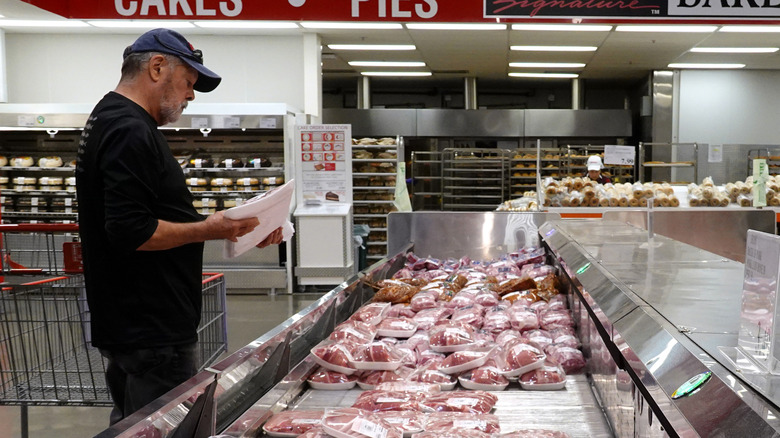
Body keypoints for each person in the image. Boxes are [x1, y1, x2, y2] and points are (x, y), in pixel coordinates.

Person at [76, 28, 283, 425]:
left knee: (132, 426)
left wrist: (238, 227)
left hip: (132, 321)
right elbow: (132, 231)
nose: (190, 95)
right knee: (163, 429)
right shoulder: (130, 130)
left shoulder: (109, 118)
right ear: (157, 67)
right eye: (188, 82)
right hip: (152, 327)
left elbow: (136, 218)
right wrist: (212, 228)